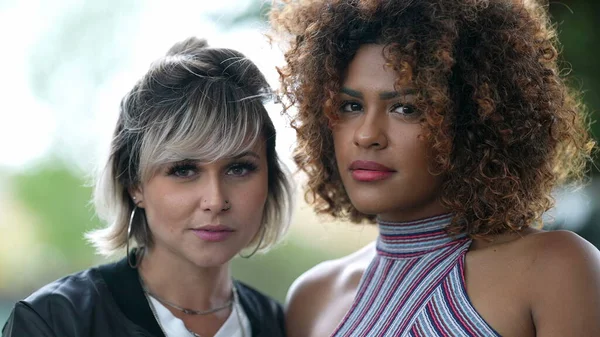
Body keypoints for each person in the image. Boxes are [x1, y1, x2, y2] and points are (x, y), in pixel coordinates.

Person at [270, 0, 600, 336]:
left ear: (473, 121)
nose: (367, 134)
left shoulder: (555, 268)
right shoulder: (313, 298)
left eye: (405, 109)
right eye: (350, 105)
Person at [2, 37, 293, 337]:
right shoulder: (56, 322)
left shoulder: (282, 324)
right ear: (134, 185)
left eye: (239, 168)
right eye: (184, 170)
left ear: (269, 178)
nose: (216, 200)